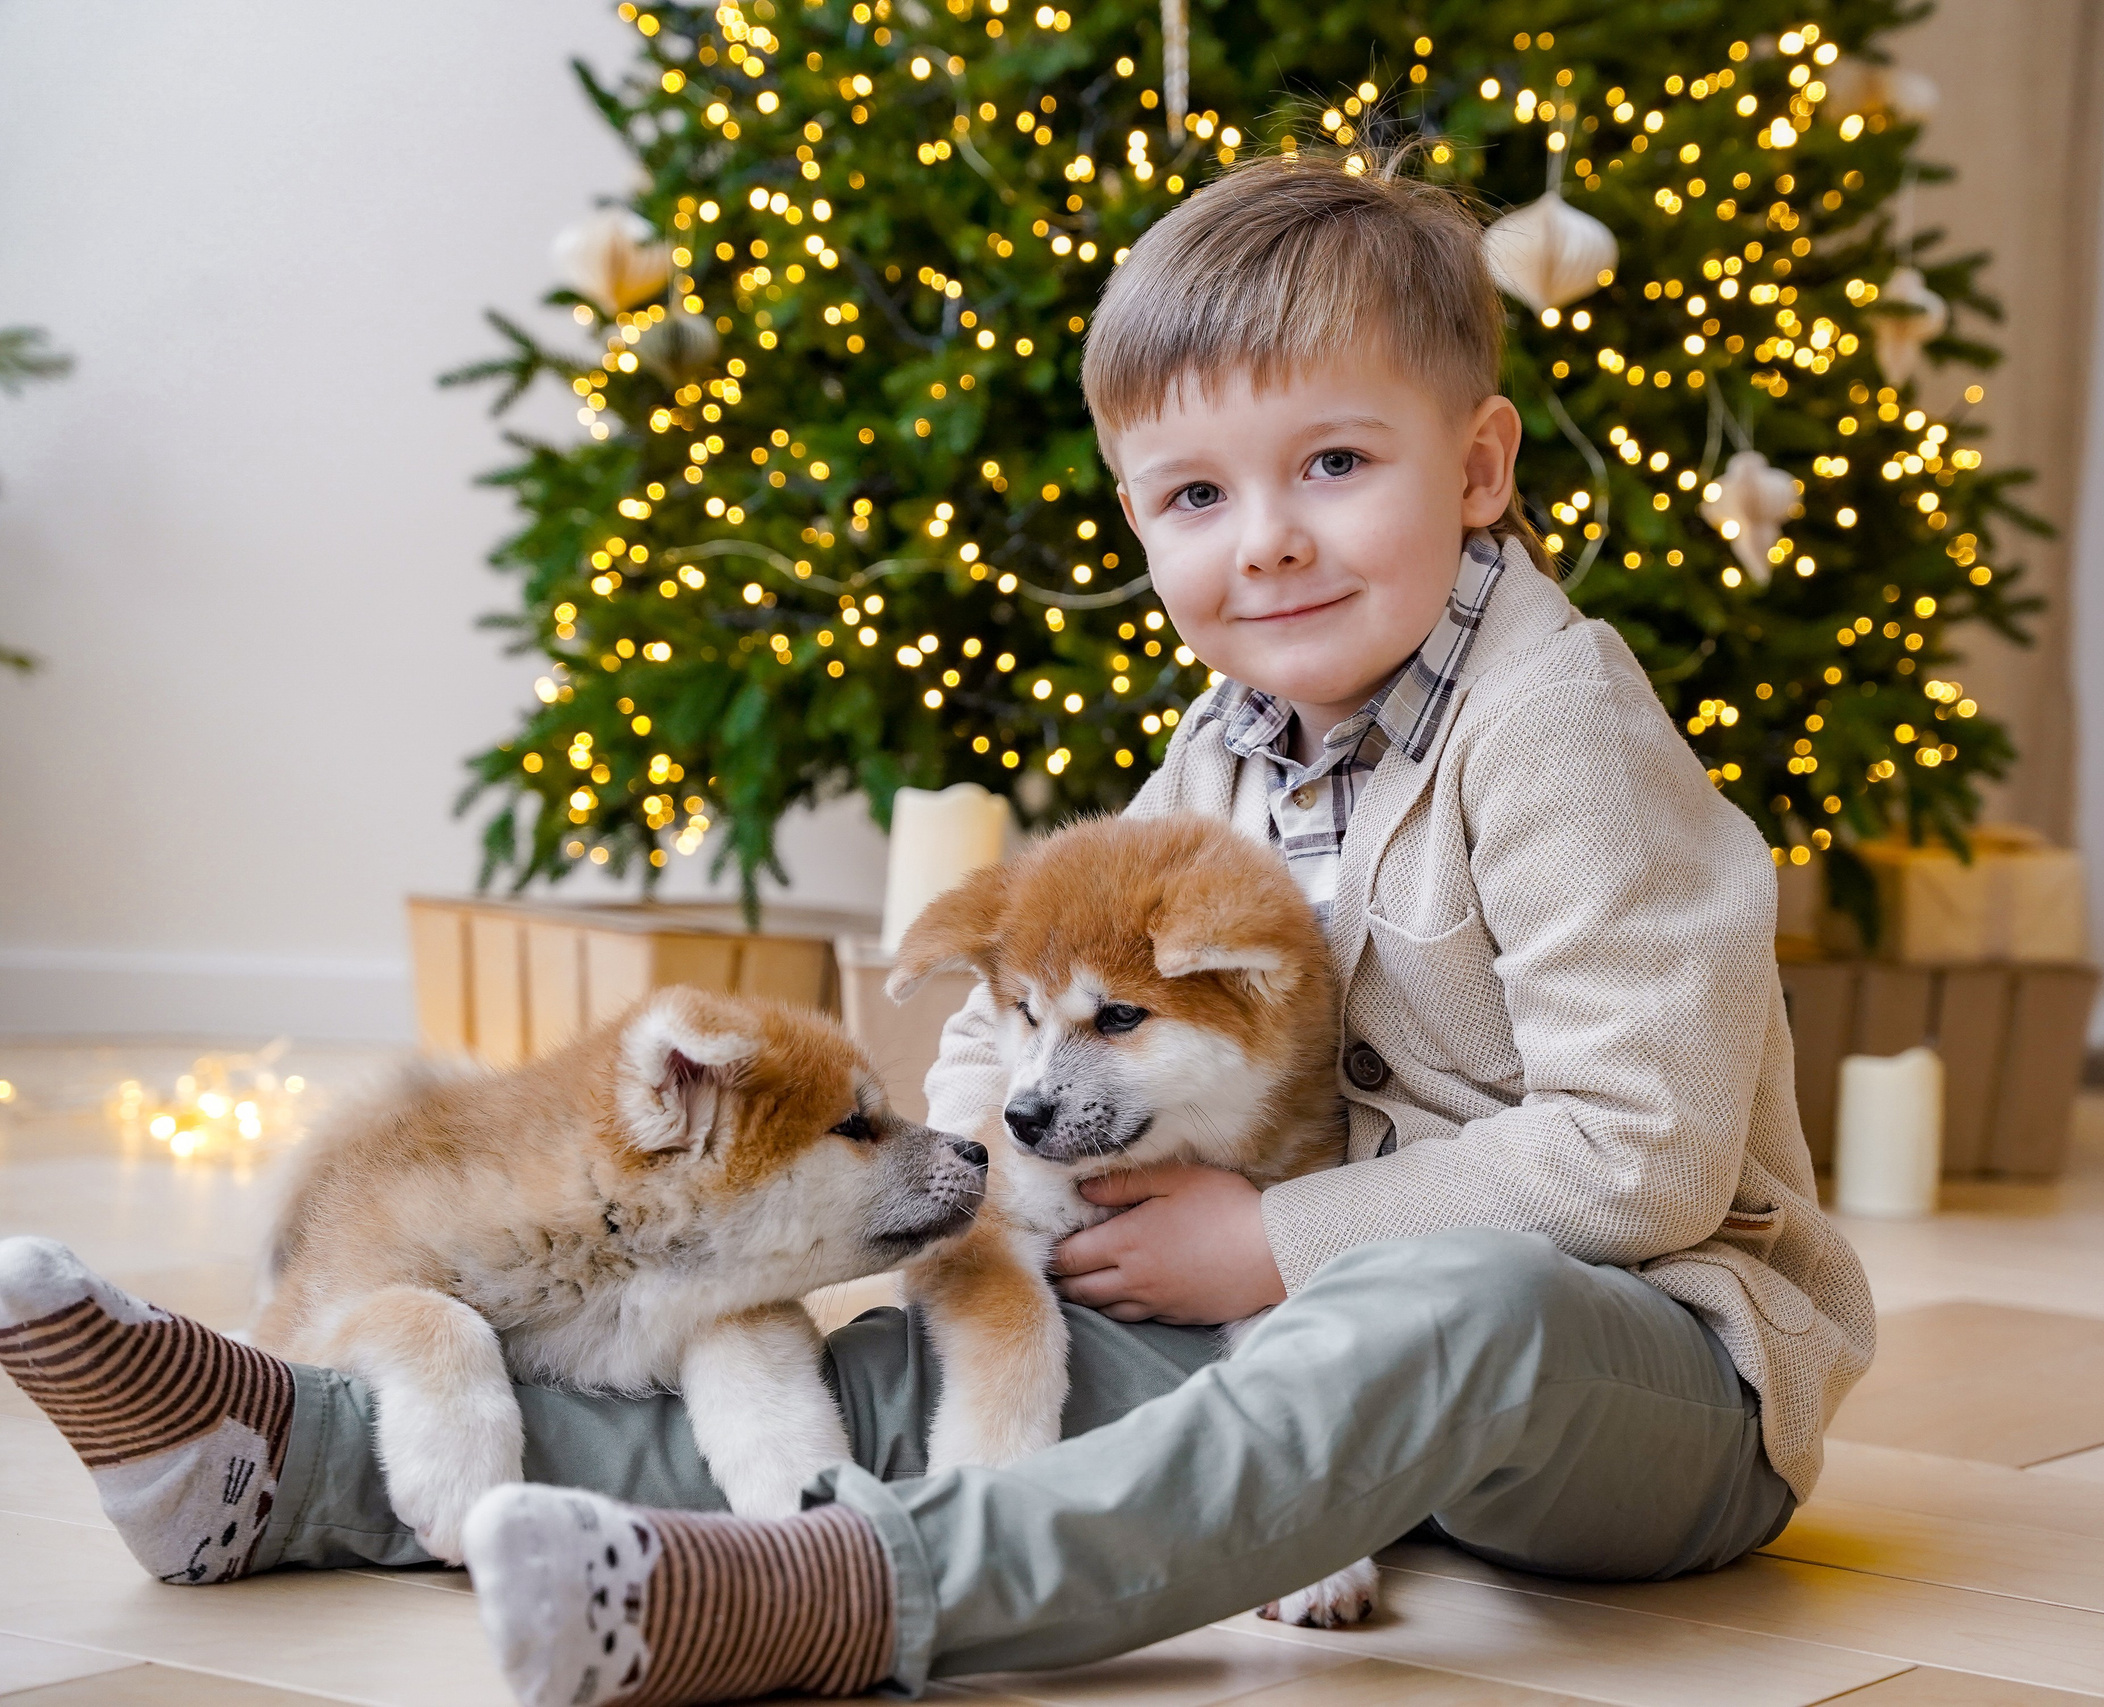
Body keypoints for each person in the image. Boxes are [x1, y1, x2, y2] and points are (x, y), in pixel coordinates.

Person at [0, 151, 1873, 1706]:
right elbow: (1010, 1020)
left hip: (1643, 1367)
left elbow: (1645, 1159)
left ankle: (870, 1598)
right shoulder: (1221, 748)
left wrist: (1273, 1239)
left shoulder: (1558, 735)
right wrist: (991, 1177)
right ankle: (294, 1466)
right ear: (1140, 524)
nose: (1269, 543)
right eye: (1198, 497)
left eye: (1335, 466)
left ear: (1476, 471)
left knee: (1445, 1310)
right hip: (1302, 1318)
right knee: (938, 1352)